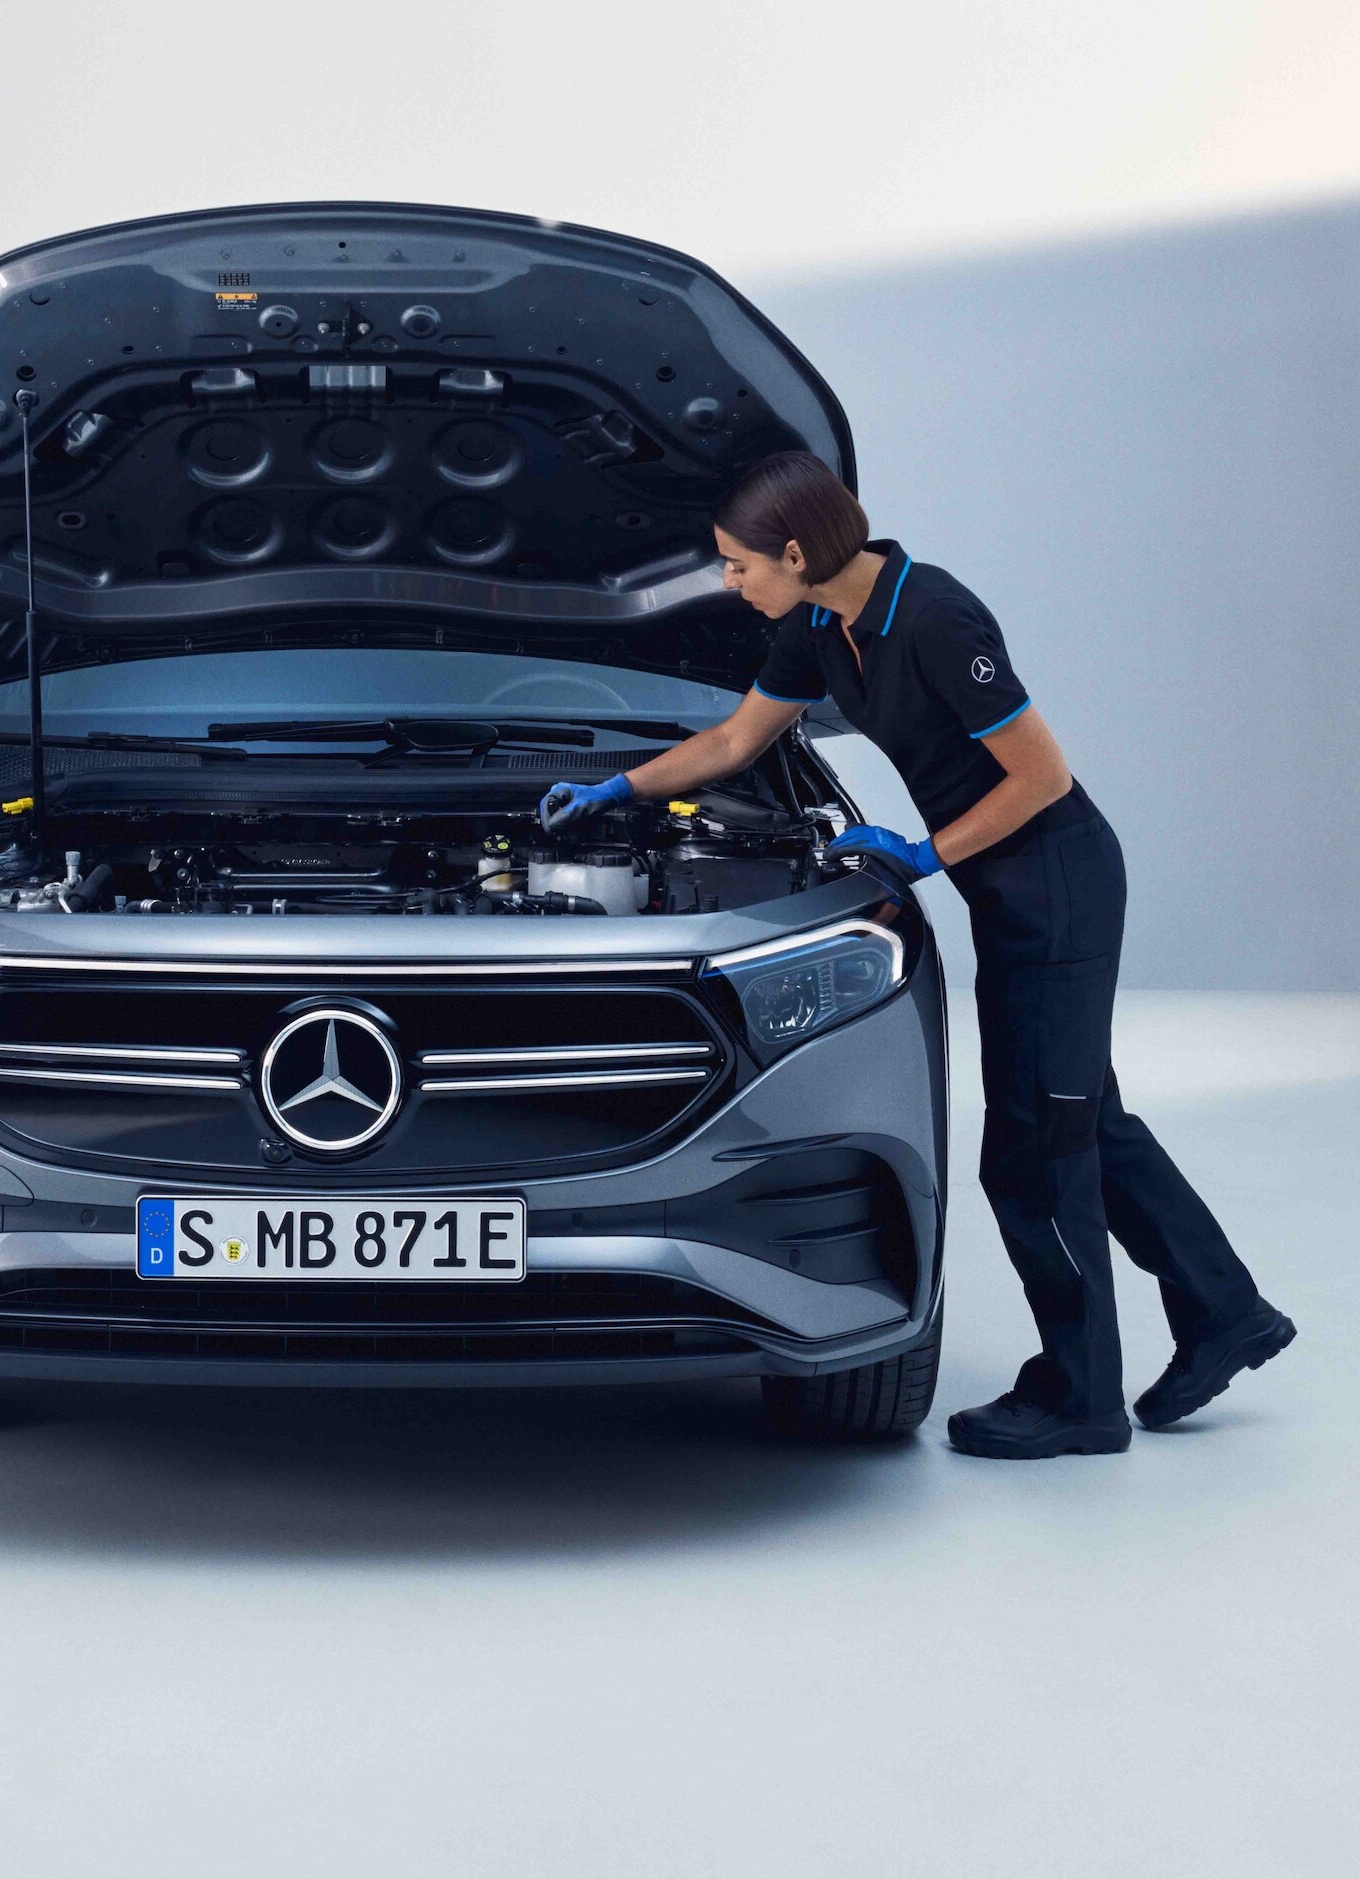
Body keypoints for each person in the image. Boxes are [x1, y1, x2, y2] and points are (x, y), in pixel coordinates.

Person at [539, 452, 1294, 1458]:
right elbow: (733, 744)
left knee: (1036, 1147)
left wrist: (922, 853)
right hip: (1009, 890)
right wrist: (617, 792)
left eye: (736, 565)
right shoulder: (818, 626)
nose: (728, 583)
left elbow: (1042, 777)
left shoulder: (935, 617)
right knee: (1088, 1118)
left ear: (796, 553)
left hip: (1057, 888)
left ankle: (1081, 1396)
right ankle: (1226, 1314)